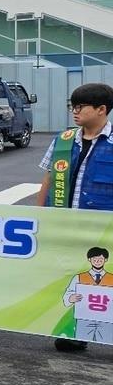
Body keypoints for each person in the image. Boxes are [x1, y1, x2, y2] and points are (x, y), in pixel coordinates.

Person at [38, 82, 113, 353]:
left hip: (103, 228)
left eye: (80, 106)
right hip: (66, 224)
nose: (75, 111)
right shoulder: (64, 139)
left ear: (101, 109)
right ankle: (75, 331)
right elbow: (47, 179)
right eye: (73, 106)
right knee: (73, 277)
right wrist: (39, 214)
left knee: (104, 280)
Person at [59, 247, 113, 346]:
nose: (97, 262)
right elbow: (68, 294)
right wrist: (71, 298)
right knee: (80, 337)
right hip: (84, 317)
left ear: (105, 260)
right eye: (94, 259)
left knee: (107, 340)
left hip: (106, 319)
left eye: (100, 259)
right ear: (89, 260)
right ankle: (78, 344)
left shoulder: (112, 278)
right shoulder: (79, 277)